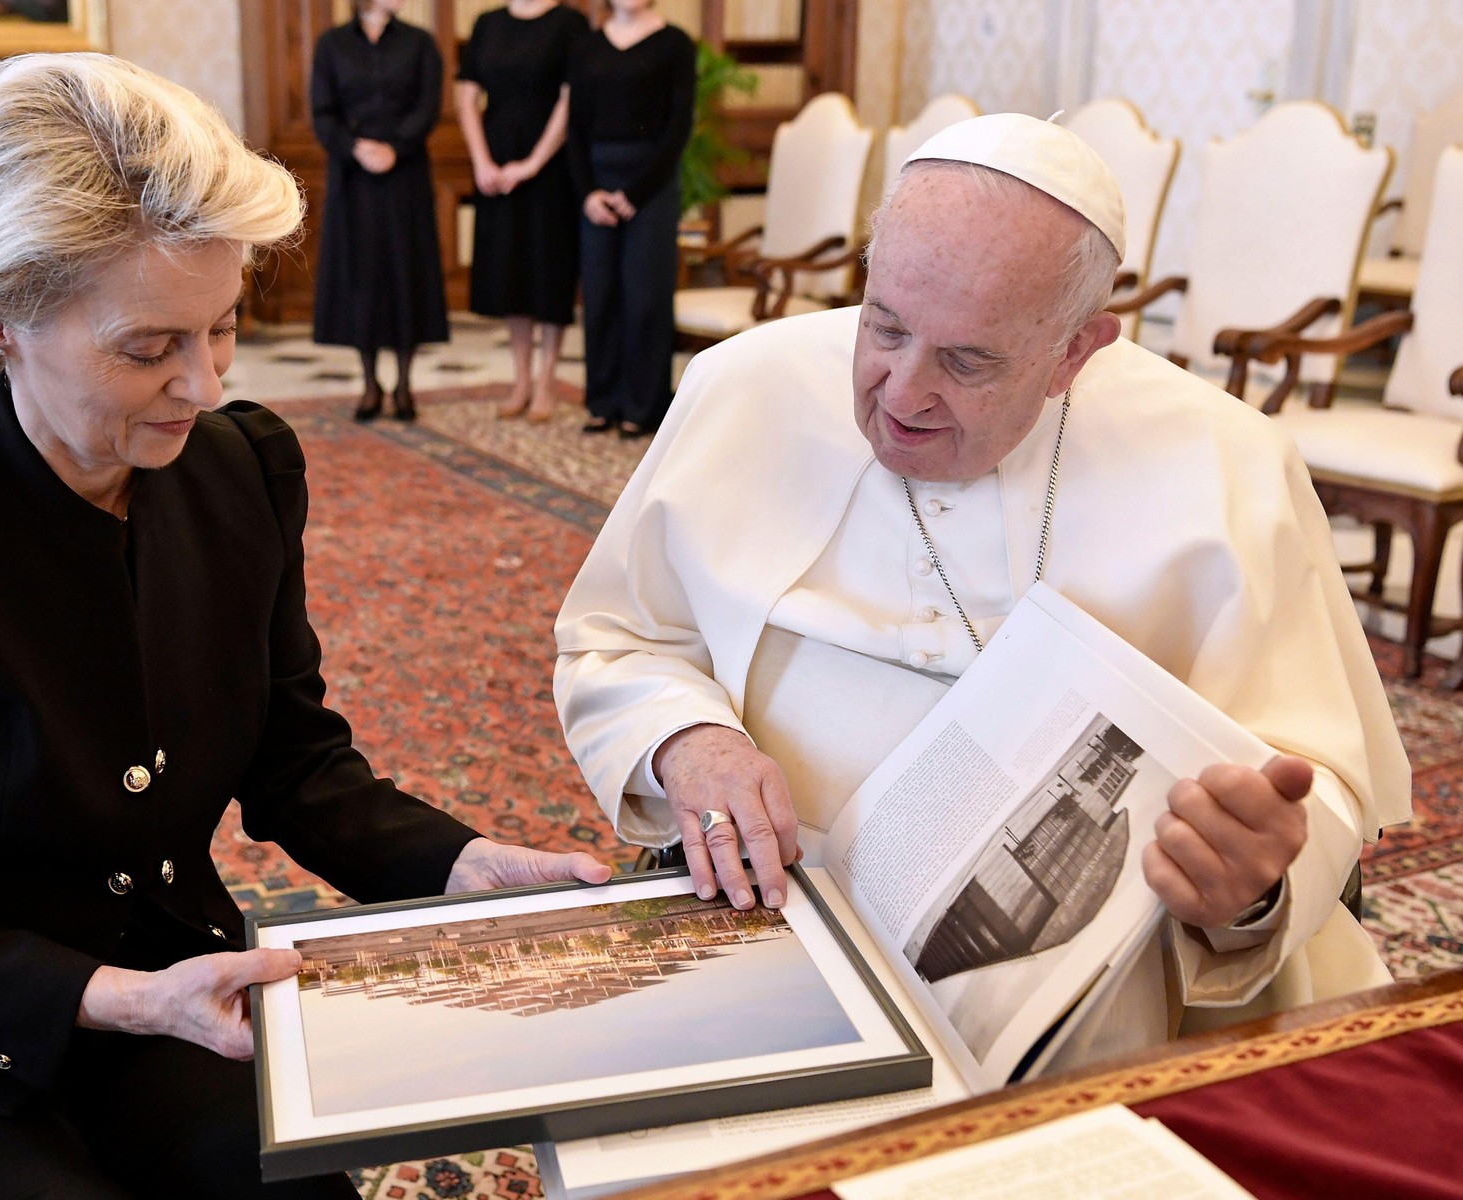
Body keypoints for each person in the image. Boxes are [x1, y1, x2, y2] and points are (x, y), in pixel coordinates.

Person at [0, 54, 610, 1199]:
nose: (202, 386)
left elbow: (295, 762)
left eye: (224, 328)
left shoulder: (240, 473)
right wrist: (117, 999)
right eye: (148, 348)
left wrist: (457, 863)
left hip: (163, 992)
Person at [553, 113, 1411, 1070]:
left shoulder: (1227, 463)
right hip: (772, 913)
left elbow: (1314, 783)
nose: (903, 393)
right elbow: (614, 638)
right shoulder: (741, 386)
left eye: (968, 361)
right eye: (883, 327)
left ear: (1078, 351)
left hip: (1103, 990)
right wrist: (686, 741)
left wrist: (1251, 886)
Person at [310, 0, 448, 422]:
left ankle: (405, 385)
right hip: (354, 178)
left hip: (405, 175)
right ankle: (370, 384)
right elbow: (322, 111)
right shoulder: (332, 44)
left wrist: (395, 146)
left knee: (408, 274)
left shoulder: (420, 43)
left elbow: (428, 106)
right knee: (361, 276)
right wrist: (356, 148)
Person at [566, 0, 694, 438]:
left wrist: (634, 194)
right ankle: (602, 402)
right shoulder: (586, 47)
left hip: (651, 187)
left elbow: (678, 126)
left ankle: (643, 406)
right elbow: (575, 126)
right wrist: (588, 193)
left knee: (645, 297)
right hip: (597, 184)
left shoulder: (675, 43)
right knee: (600, 297)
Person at [456, 0, 588, 423]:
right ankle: (521, 379)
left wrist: (532, 164)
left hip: (551, 165)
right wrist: (481, 161)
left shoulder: (570, 23)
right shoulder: (488, 23)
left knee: (549, 272)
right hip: (496, 157)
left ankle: (547, 379)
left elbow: (571, 99)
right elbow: (467, 93)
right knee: (509, 273)